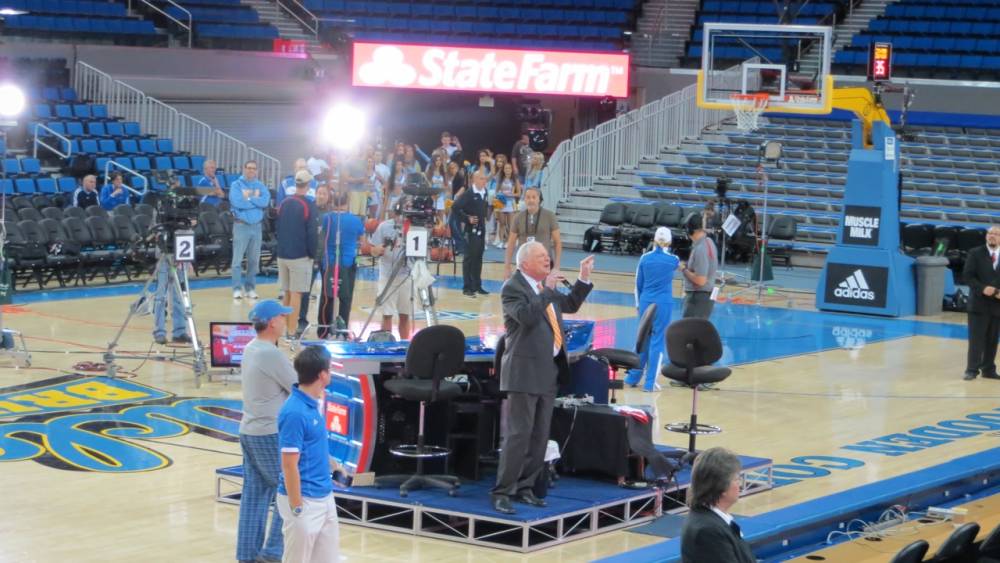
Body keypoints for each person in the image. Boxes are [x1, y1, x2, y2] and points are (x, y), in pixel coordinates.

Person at [491, 243, 594, 514]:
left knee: (539, 436)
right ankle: (503, 490)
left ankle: (525, 487)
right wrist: (547, 289)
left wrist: (583, 278)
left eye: (548, 256)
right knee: (518, 435)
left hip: (548, 371)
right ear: (525, 263)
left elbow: (569, 304)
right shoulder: (513, 288)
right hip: (523, 372)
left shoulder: (543, 288)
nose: (547, 259)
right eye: (541, 257)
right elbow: (526, 317)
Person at [237, 299, 297, 563]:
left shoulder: (251, 349)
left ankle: (247, 556)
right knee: (290, 490)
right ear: (272, 322)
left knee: (255, 494)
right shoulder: (270, 354)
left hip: (249, 431)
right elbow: (299, 386)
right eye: (283, 317)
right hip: (269, 432)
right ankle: (273, 553)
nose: (285, 321)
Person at [277, 345, 342, 563]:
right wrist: (297, 507)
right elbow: (288, 465)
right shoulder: (294, 412)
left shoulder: (314, 403)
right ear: (322, 375)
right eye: (330, 369)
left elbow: (313, 447)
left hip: (325, 496)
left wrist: (334, 466)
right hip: (304, 500)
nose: (331, 372)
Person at [626, 227, 680, 392]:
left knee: (642, 340)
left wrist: (638, 305)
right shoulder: (674, 260)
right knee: (657, 342)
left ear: (654, 240)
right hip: (663, 304)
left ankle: (633, 377)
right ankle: (649, 383)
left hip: (645, 302)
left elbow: (638, 284)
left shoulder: (644, 258)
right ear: (669, 241)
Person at [680, 448, 755, 563]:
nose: (740, 484)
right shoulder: (708, 531)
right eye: (736, 479)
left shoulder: (712, 520)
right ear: (722, 487)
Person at [276, 170, 319, 339]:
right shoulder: (309, 205)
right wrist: (312, 253)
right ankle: (292, 332)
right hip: (299, 256)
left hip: (282, 254)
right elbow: (312, 234)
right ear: (308, 185)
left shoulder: (285, 202)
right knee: (296, 294)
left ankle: (282, 330)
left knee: (286, 293)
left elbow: (278, 228)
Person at [317, 192, 365, 338]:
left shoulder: (327, 218)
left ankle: (323, 331)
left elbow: (322, 236)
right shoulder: (356, 221)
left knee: (327, 297)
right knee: (345, 298)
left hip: (329, 264)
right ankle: (342, 332)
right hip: (347, 263)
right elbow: (363, 242)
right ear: (347, 203)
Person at [370, 200, 415, 340]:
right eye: (399, 214)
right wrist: (375, 250)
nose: (401, 218)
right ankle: (386, 345)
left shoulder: (415, 228)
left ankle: (405, 346)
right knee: (387, 313)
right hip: (387, 274)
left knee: (405, 314)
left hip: (407, 274)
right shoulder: (384, 227)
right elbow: (371, 249)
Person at [230, 160, 271, 301]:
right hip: (241, 226)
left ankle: (250, 288)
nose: (251, 171)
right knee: (237, 260)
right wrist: (256, 201)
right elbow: (237, 202)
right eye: (248, 168)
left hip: (257, 227)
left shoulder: (260, 185)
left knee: (254, 260)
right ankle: (236, 289)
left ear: (256, 170)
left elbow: (265, 202)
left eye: (254, 168)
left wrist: (249, 198)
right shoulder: (236, 185)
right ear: (244, 169)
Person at [963, 225, 1000, 381]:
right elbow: (967, 276)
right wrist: (983, 288)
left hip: (997, 304)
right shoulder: (975, 253)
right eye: (989, 233)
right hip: (978, 303)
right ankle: (972, 369)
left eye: (996, 234)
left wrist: (997, 291)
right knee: (976, 339)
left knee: (992, 339)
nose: (992, 236)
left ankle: (988, 369)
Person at [504, 187, 561, 278]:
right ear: (524, 199)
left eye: (534, 197)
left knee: (544, 291)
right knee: (524, 291)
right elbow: (511, 243)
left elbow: (557, 243)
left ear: (539, 199)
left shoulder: (550, 216)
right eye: (528, 197)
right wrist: (507, 267)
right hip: (524, 266)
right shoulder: (518, 217)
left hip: (544, 265)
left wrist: (556, 267)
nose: (531, 200)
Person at [452, 172, 490, 298]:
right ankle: (467, 287)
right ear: (474, 179)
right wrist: (467, 218)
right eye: (481, 178)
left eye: (485, 178)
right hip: (470, 230)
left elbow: (483, 210)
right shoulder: (468, 194)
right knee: (469, 258)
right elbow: (455, 207)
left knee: (478, 257)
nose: (484, 180)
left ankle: (477, 285)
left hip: (481, 229)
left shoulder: (485, 192)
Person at [681, 216, 719, 319]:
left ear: (690, 230)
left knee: (689, 333)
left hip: (697, 299)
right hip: (704, 298)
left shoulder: (700, 249)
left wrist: (684, 270)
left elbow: (701, 280)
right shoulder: (709, 242)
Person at [152, 255, 189, 346]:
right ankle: (159, 332)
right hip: (164, 255)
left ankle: (179, 332)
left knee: (179, 296)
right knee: (160, 297)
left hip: (181, 257)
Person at [493, 162, 520, 249]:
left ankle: (509, 242)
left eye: (509, 168)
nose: (507, 170)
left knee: (510, 224)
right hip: (501, 203)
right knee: (502, 223)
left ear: (512, 170)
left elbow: (518, 194)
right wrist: (500, 194)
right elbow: (496, 192)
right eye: (506, 168)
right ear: (503, 170)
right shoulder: (500, 179)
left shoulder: (515, 180)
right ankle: (501, 241)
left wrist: (510, 195)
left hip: (510, 203)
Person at [343, 146, 369, 218]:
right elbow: (346, 178)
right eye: (353, 149)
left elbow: (366, 175)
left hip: (363, 191)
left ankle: (360, 228)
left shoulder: (363, 162)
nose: (355, 151)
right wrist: (359, 180)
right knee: (353, 214)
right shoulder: (347, 162)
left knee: (362, 215)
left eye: (357, 149)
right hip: (353, 191)